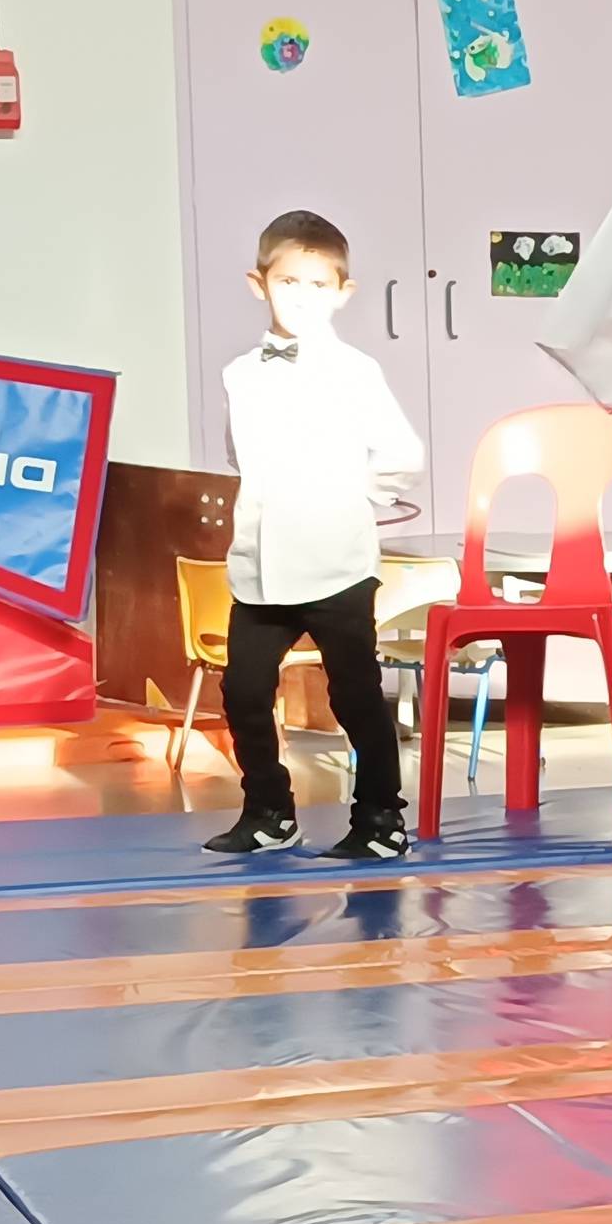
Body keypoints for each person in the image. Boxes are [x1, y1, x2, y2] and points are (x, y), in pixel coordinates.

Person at [208, 208, 425, 864]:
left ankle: (381, 817)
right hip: (260, 565)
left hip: (335, 563)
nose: (302, 298)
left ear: (342, 293)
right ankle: (269, 810)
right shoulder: (240, 373)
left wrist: (349, 499)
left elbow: (399, 453)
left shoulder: (353, 370)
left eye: (318, 285)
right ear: (259, 283)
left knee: (354, 692)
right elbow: (237, 452)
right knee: (243, 691)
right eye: (288, 282)